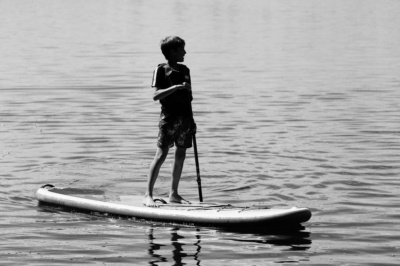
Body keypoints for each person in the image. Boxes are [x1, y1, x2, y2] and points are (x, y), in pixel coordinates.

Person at [144, 36, 196, 207]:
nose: (185, 52)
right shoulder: (161, 70)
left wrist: (192, 122)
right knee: (161, 155)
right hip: (169, 119)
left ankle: (174, 194)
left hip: (185, 118)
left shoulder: (185, 70)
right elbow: (155, 95)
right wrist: (175, 87)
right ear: (172, 51)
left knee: (181, 154)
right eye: (182, 49)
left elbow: (189, 98)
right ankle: (148, 195)